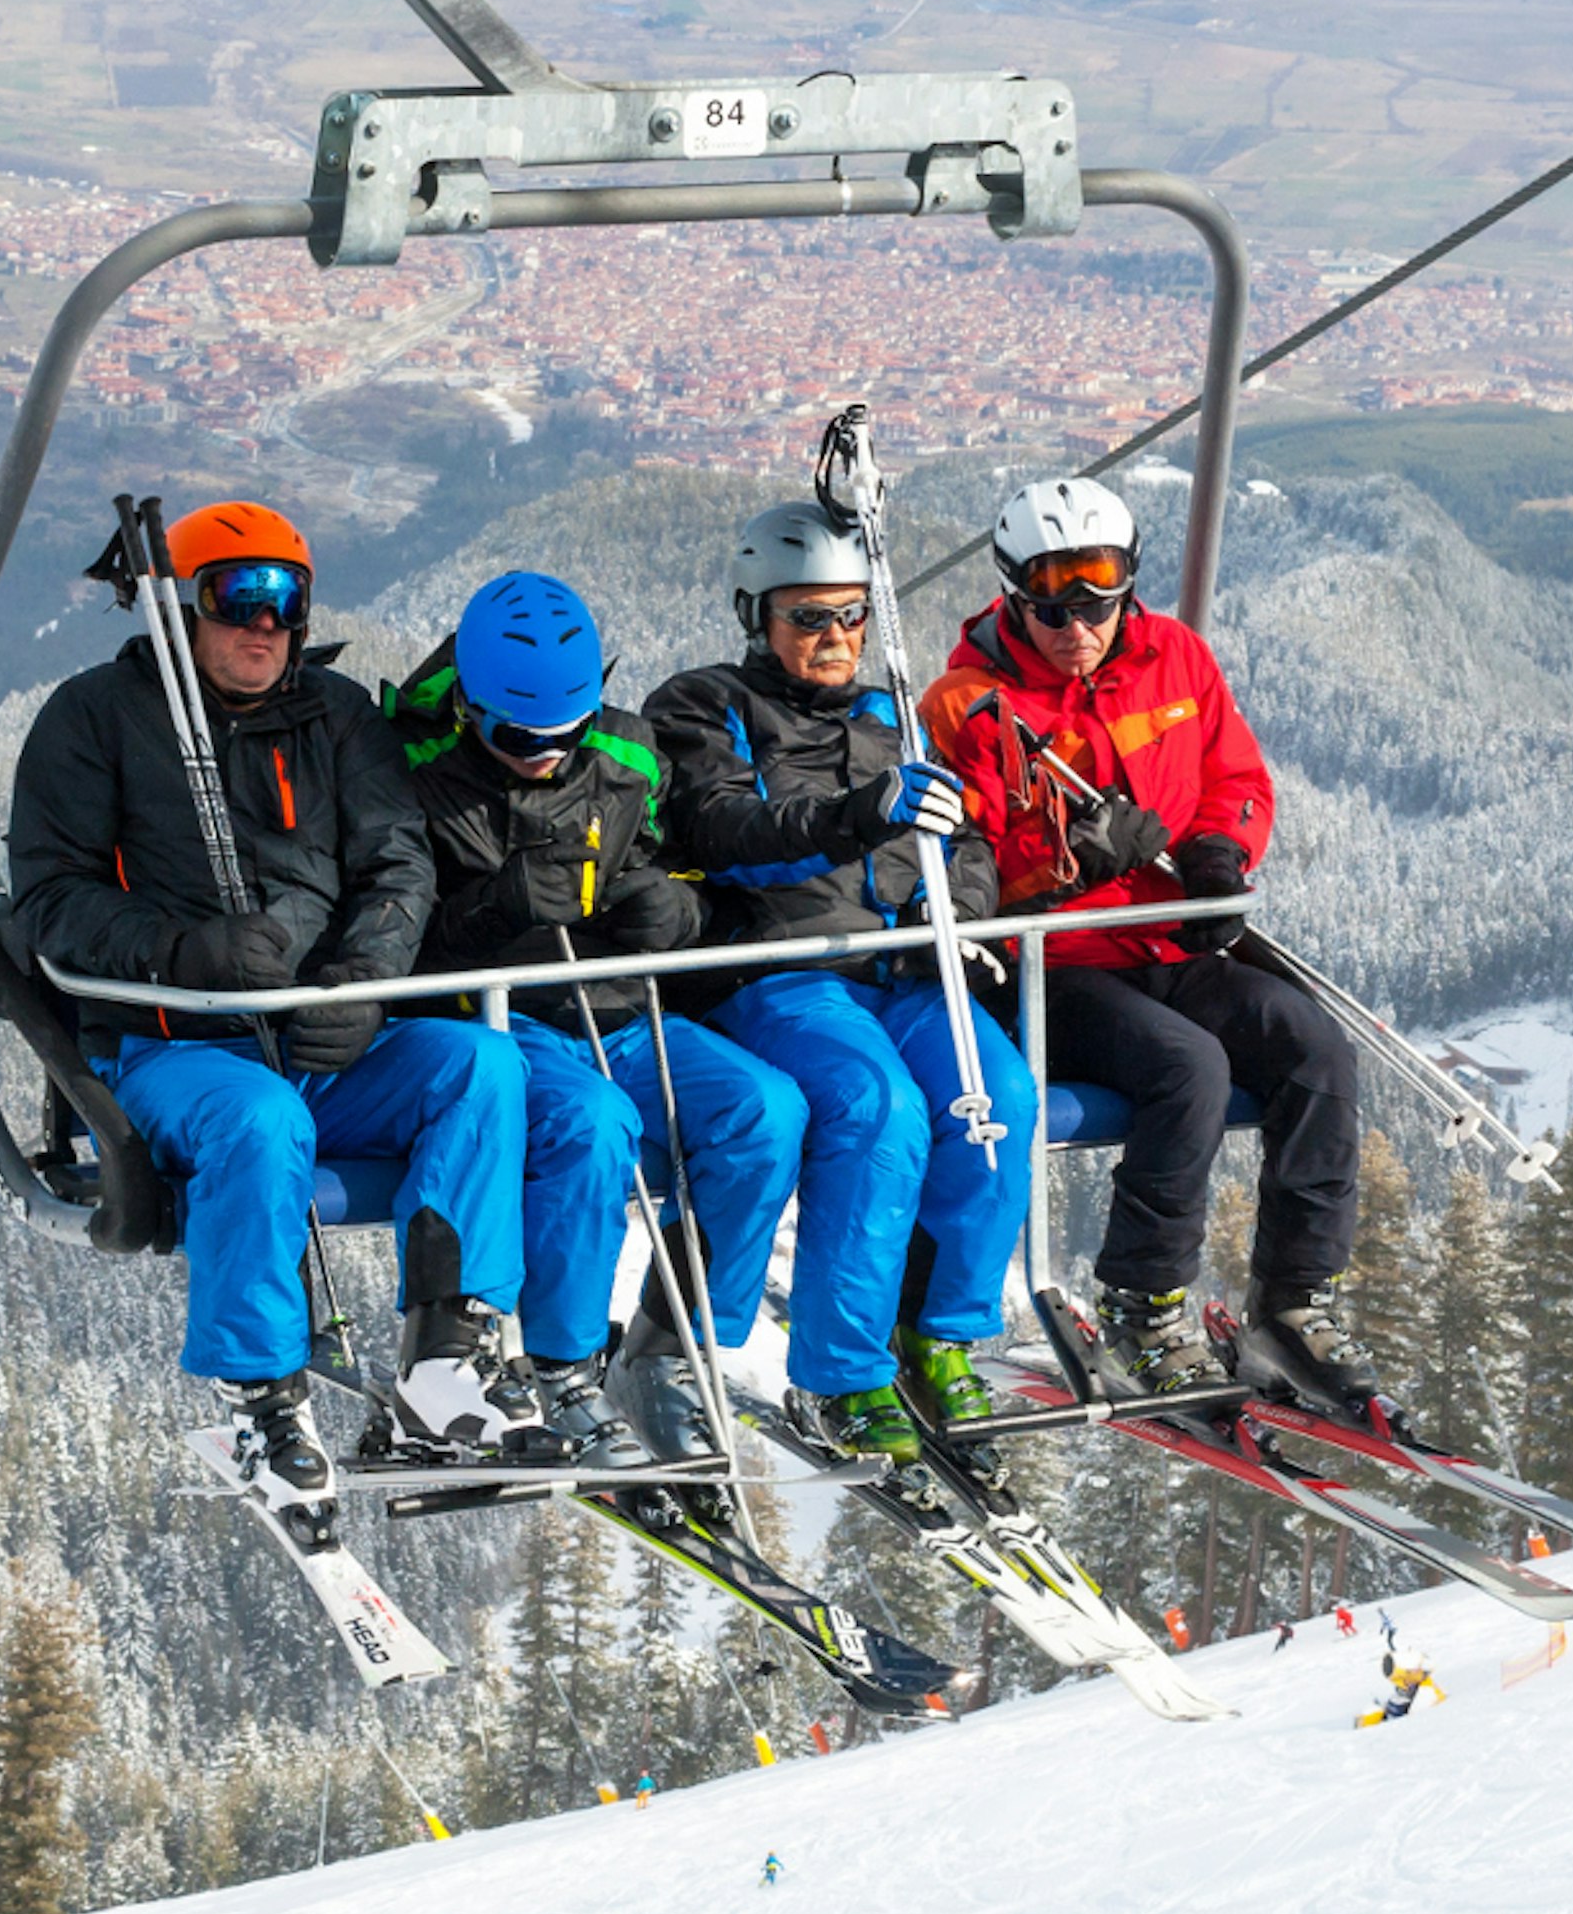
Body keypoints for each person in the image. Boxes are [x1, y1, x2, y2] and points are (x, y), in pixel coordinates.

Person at [5, 498, 540, 1499]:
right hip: (177, 1047)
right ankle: (262, 1395)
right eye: (236, 596)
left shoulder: (336, 720)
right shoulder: (94, 721)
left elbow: (397, 864)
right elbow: (51, 902)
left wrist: (362, 985)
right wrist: (184, 951)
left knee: (480, 1066)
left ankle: (448, 1349)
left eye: (284, 601)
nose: (264, 624)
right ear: (181, 605)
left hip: (317, 1039)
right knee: (260, 1118)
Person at [921, 475, 1373, 1413]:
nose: (1077, 624)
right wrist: (1071, 864)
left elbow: (1235, 776)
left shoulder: (1176, 659)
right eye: (1052, 605)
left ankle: (1292, 1301)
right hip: (1060, 967)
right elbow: (964, 876)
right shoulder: (969, 705)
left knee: (1316, 1050)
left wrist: (1219, 852)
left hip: (1170, 942)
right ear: (1014, 593)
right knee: (1188, 1069)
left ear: (1127, 584)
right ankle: (1143, 1302)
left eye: (1098, 597)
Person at [390, 570, 812, 1471]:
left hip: (620, 1008)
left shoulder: (628, 756)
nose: (545, 754)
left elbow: (690, 872)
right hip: (509, 1016)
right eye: (518, 736)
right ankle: (562, 1364)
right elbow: (390, 944)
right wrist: (494, 908)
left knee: (764, 1112)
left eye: (565, 732)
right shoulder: (416, 777)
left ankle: (666, 1344)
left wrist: (676, 908)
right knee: (591, 1125)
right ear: (469, 703)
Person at [647, 500, 1038, 1464]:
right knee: (874, 1109)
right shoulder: (705, 706)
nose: (834, 637)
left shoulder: (890, 716)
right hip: (782, 968)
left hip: (902, 965)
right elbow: (722, 831)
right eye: (807, 617)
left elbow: (971, 838)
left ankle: (937, 1335)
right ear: (757, 616)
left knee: (999, 1100)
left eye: (851, 615)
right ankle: (841, 1376)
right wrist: (856, 815)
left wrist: (964, 913)